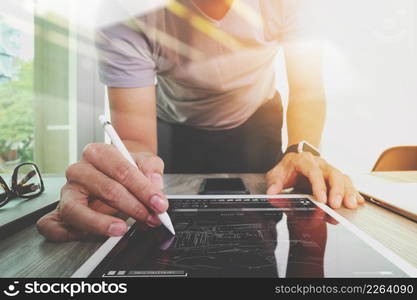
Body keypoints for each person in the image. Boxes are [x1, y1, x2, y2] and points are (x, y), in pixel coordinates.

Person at [37, 0, 364, 241]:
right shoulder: (123, 12)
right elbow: (136, 143)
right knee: (161, 224)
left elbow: (307, 88)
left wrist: (302, 150)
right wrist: (119, 181)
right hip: (174, 124)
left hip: (256, 119)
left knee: (264, 226)